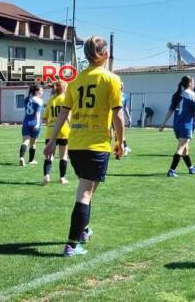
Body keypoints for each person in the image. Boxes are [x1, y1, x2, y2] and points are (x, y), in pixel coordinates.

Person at [44, 36, 124, 257]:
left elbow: (64, 113)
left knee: (88, 189)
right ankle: (71, 245)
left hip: (76, 144)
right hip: (96, 144)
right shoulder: (111, 79)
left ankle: (84, 230)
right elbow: (118, 116)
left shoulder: (75, 81)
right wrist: (121, 142)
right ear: (106, 54)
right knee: (85, 192)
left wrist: (52, 140)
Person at [159, 76, 195, 177]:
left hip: (176, 125)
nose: (194, 83)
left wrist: (163, 123)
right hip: (186, 125)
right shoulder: (193, 95)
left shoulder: (177, 94)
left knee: (185, 148)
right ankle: (172, 170)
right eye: (193, 82)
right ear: (190, 83)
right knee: (181, 147)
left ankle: (191, 168)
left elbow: (170, 111)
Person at [41, 80, 70, 185]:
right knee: (63, 156)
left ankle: (46, 176)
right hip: (63, 130)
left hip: (50, 131)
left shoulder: (50, 100)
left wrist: (51, 123)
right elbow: (68, 117)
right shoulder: (66, 99)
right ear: (64, 88)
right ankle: (62, 178)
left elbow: (44, 118)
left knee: (49, 156)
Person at [20, 84, 44, 166]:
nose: (42, 92)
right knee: (33, 143)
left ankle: (21, 157)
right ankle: (31, 160)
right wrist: (37, 124)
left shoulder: (27, 99)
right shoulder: (39, 100)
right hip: (34, 122)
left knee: (25, 141)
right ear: (36, 92)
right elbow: (38, 113)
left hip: (26, 122)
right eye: (41, 90)